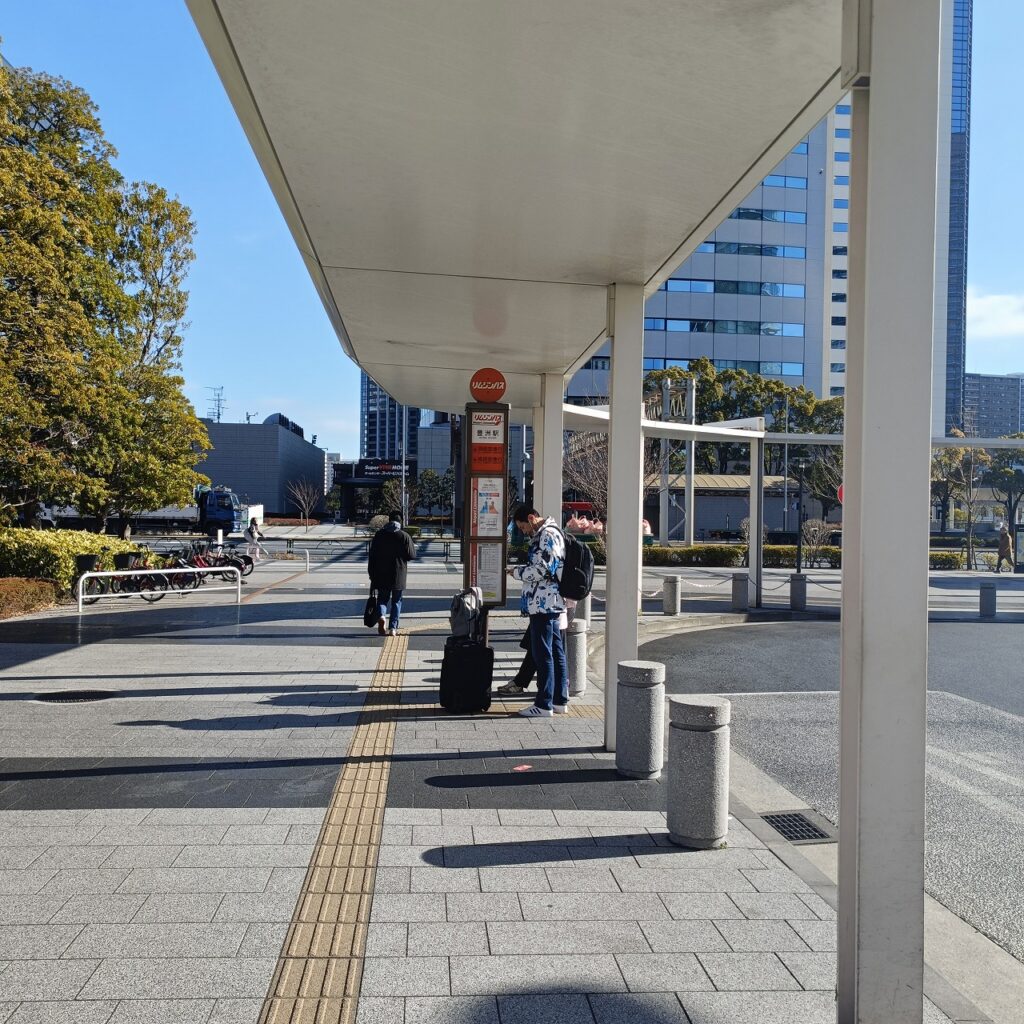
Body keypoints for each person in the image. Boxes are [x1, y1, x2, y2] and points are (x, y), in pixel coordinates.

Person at [506, 505, 567, 717]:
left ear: (532, 518)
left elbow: (543, 569)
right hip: (550, 601)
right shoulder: (551, 533)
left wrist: (517, 572)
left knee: (543, 654)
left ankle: (543, 704)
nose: (523, 531)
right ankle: (559, 700)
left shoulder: (547, 535)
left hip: (544, 602)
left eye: (523, 526)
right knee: (556, 651)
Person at [368, 510, 416, 636]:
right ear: (400, 521)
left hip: (381, 573)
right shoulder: (404, 536)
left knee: (382, 599)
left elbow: (372, 556)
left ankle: (382, 616)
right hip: (398, 574)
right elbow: (412, 555)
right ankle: (393, 628)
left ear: (389, 520)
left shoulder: (379, 535)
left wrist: (371, 574)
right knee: (396, 601)